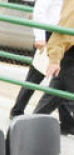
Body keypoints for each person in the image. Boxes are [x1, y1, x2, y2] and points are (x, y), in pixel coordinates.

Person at [10, 0, 63, 119]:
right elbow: (39, 11)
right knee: (35, 75)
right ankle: (17, 110)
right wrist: (40, 37)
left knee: (62, 78)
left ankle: (67, 120)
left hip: (62, 36)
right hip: (48, 33)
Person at [34, 0, 74, 135]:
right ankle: (24, 133)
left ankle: (25, 132)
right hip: (70, 56)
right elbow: (66, 26)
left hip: (68, 59)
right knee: (56, 93)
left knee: (54, 95)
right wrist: (55, 58)